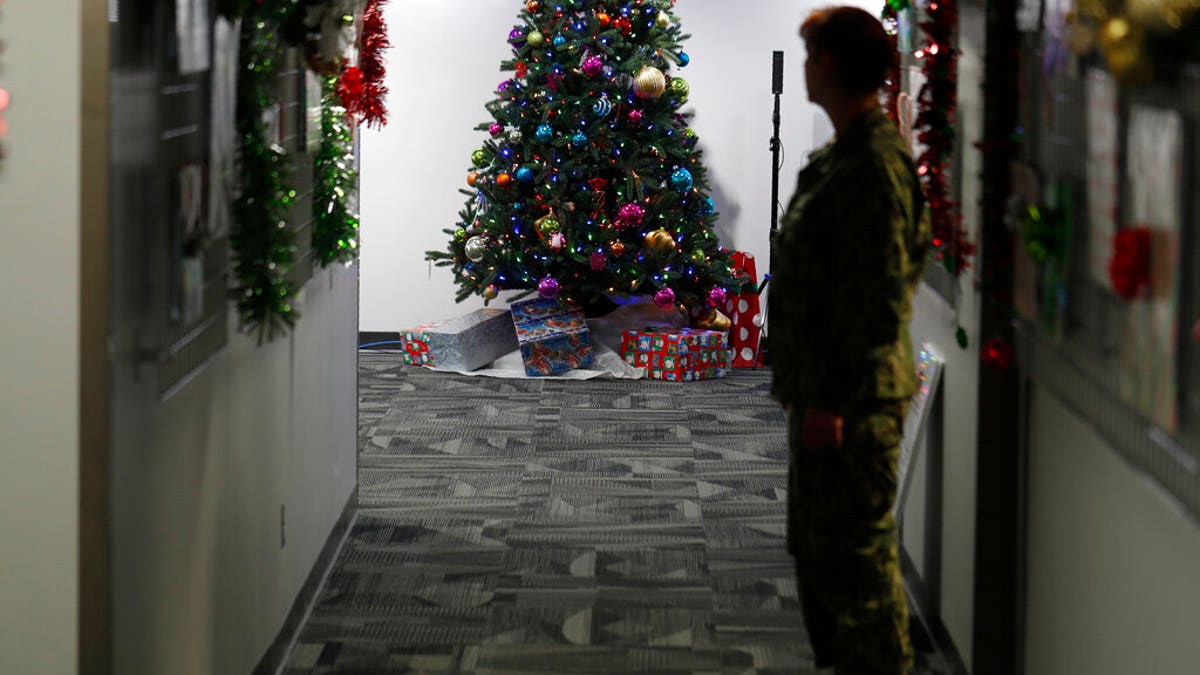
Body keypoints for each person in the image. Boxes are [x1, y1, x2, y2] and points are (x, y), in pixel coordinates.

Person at [769, 6, 931, 674]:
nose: (804, 67)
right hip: (828, 398)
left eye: (810, 55)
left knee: (858, 571)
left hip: (853, 407)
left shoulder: (871, 165)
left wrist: (832, 403)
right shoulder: (847, 153)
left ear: (829, 65)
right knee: (822, 556)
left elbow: (880, 300)